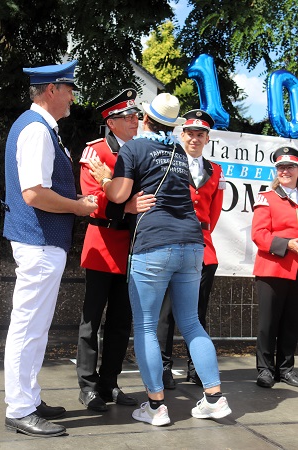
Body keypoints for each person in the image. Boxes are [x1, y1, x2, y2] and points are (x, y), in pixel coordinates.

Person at [88, 93, 232, 426]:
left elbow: (120, 195)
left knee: (146, 326)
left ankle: (155, 408)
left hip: (154, 244)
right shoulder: (179, 152)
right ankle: (214, 398)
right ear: (171, 125)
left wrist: (104, 179)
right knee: (192, 323)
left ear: (146, 120)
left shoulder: (134, 148)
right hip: (193, 245)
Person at [3, 60, 98, 438]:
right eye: (69, 88)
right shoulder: (37, 130)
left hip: (40, 241)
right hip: (39, 242)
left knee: (36, 327)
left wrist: (72, 198)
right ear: (51, 91)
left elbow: (39, 190)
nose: (73, 95)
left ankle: (28, 397)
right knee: (29, 327)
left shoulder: (38, 127)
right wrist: (77, 206)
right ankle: (21, 407)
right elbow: (34, 194)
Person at [77, 89, 154, 411]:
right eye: (129, 117)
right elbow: (92, 201)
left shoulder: (142, 151)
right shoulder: (95, 152)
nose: (136, 121)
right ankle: (88, 386)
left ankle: (110, 383)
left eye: (137, 115)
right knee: (91, 321)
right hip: (103, 242)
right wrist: (128, 207)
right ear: (111, 122)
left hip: (133, 247)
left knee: (122, 322)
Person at [157, 109, 226, 389]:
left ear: (207, 139)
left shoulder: (216, 170)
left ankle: (196, 367)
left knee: (197, 312)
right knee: (165, 311)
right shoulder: (167, 162)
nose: (194, 139)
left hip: (202, 248)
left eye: (200, 134)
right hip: (169, 243)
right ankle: (163, 367)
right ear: (181, 135)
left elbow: (214, 212)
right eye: (189, 133)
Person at [252, 146, 298, 388]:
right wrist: (288, 244)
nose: (285, 170)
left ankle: (286, 369)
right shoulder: (266, 197)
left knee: (292, 322)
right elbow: (259, 235)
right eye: (281, 167)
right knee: (268, 323)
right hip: (272, 268)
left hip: (297, 271)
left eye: (290, 166)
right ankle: (265, 369)